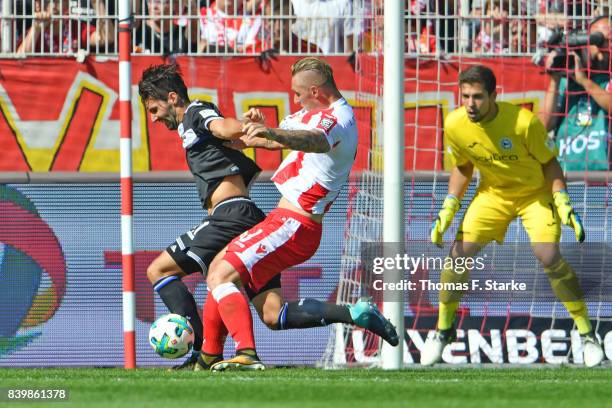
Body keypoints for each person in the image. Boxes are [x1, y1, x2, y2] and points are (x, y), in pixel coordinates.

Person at [138, 63, 398, 371]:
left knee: (217, 274)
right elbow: (260, 139)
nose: (296, 99)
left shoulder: (337, 119)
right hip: (285, 222)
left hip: (293, 223)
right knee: (271, 313)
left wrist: (262, 132)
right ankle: (354, 314)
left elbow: (313, 141)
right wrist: (255, 130)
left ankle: (244, 354)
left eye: (299, 94)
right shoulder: (308, 115)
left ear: (315, 91)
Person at [421, 65, 605, 367]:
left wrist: (562, 202)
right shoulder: (454, 124)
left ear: (494, 95)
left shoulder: (523, 123)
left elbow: (550, 163)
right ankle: (442, 331)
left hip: (534, 194)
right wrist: (449, 205)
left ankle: (587, 335)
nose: (470, 103)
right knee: (458, 255)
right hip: (493, 194)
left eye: (478, 96)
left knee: (548, 255)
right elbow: (464, 166)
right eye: (465, 95)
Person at [538, 15, 612, 171]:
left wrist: (585, 81)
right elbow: (543, 126)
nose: (603, 46)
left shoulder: (603, 80)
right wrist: (555, 79)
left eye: (608, 39)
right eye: (596, 39)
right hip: (564, 175)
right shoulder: (566, 82)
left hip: (603, 178)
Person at [16, 0, 114, 54]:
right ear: (37, 5)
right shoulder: (31, 32)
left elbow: (106, 38)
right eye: (47, 1)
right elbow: (18, 60)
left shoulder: (76, 27)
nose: (53, 6)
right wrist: (36, 28)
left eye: (57, 1)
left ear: (66, 4)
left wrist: (97, 3)